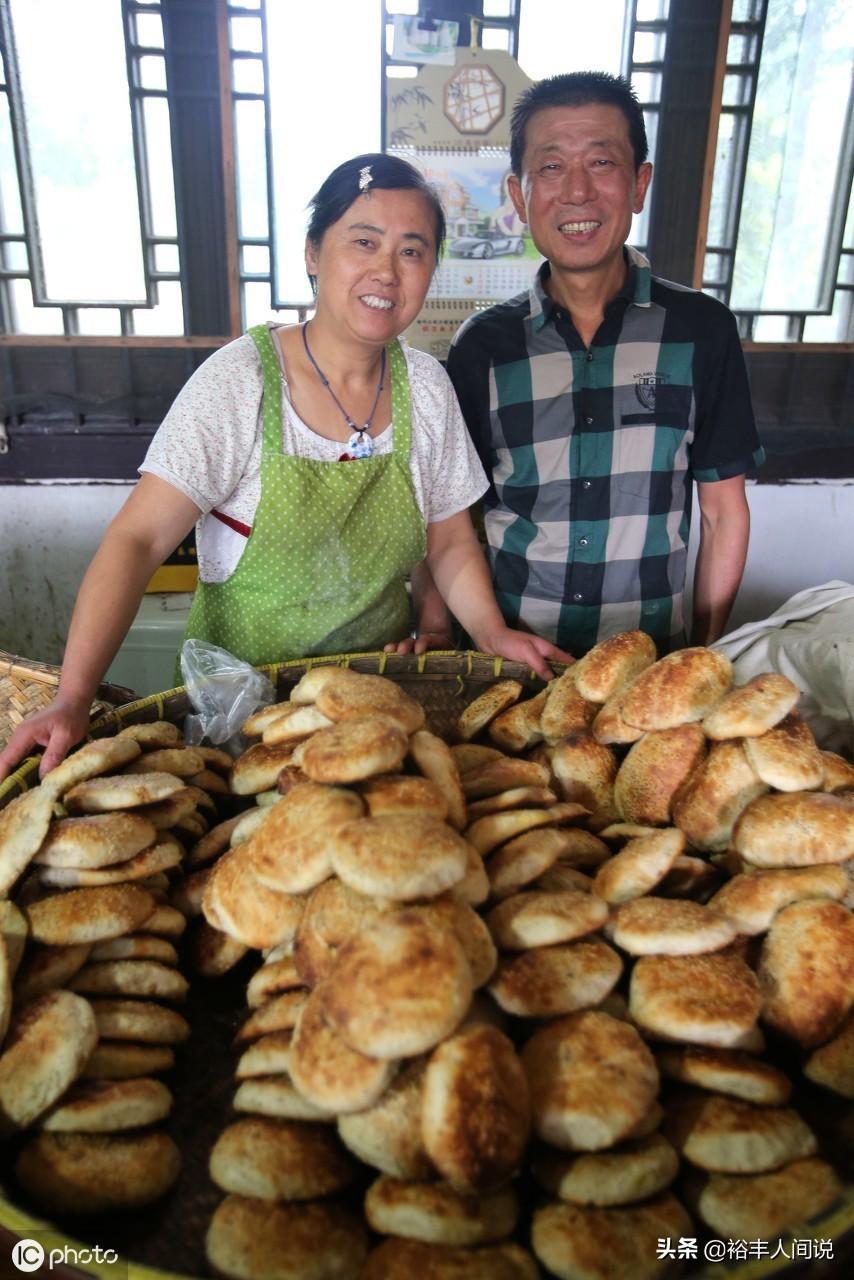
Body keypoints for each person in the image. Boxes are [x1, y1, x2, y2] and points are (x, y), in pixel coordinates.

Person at [0, 153, 568, 782]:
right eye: (363, 241)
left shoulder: (427, 389)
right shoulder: (242, 382)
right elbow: (137, 541)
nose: (386, 269)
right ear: (312, 254)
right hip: (236, 720)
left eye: (412, 251)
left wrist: (489, 631)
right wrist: (73, 697)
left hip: (368, 715)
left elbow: (450, 540)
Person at [438, 71, 764, 660]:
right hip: (507, 669)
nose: (578, 192)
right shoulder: (482, 348)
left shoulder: (701, 331)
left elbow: (721, 513)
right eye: (553, 167)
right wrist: (441, 636)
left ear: (640, 184)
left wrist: (703, 656)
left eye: (602, 163)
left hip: (647, 671)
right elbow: (450, 520)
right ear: (519, 195)